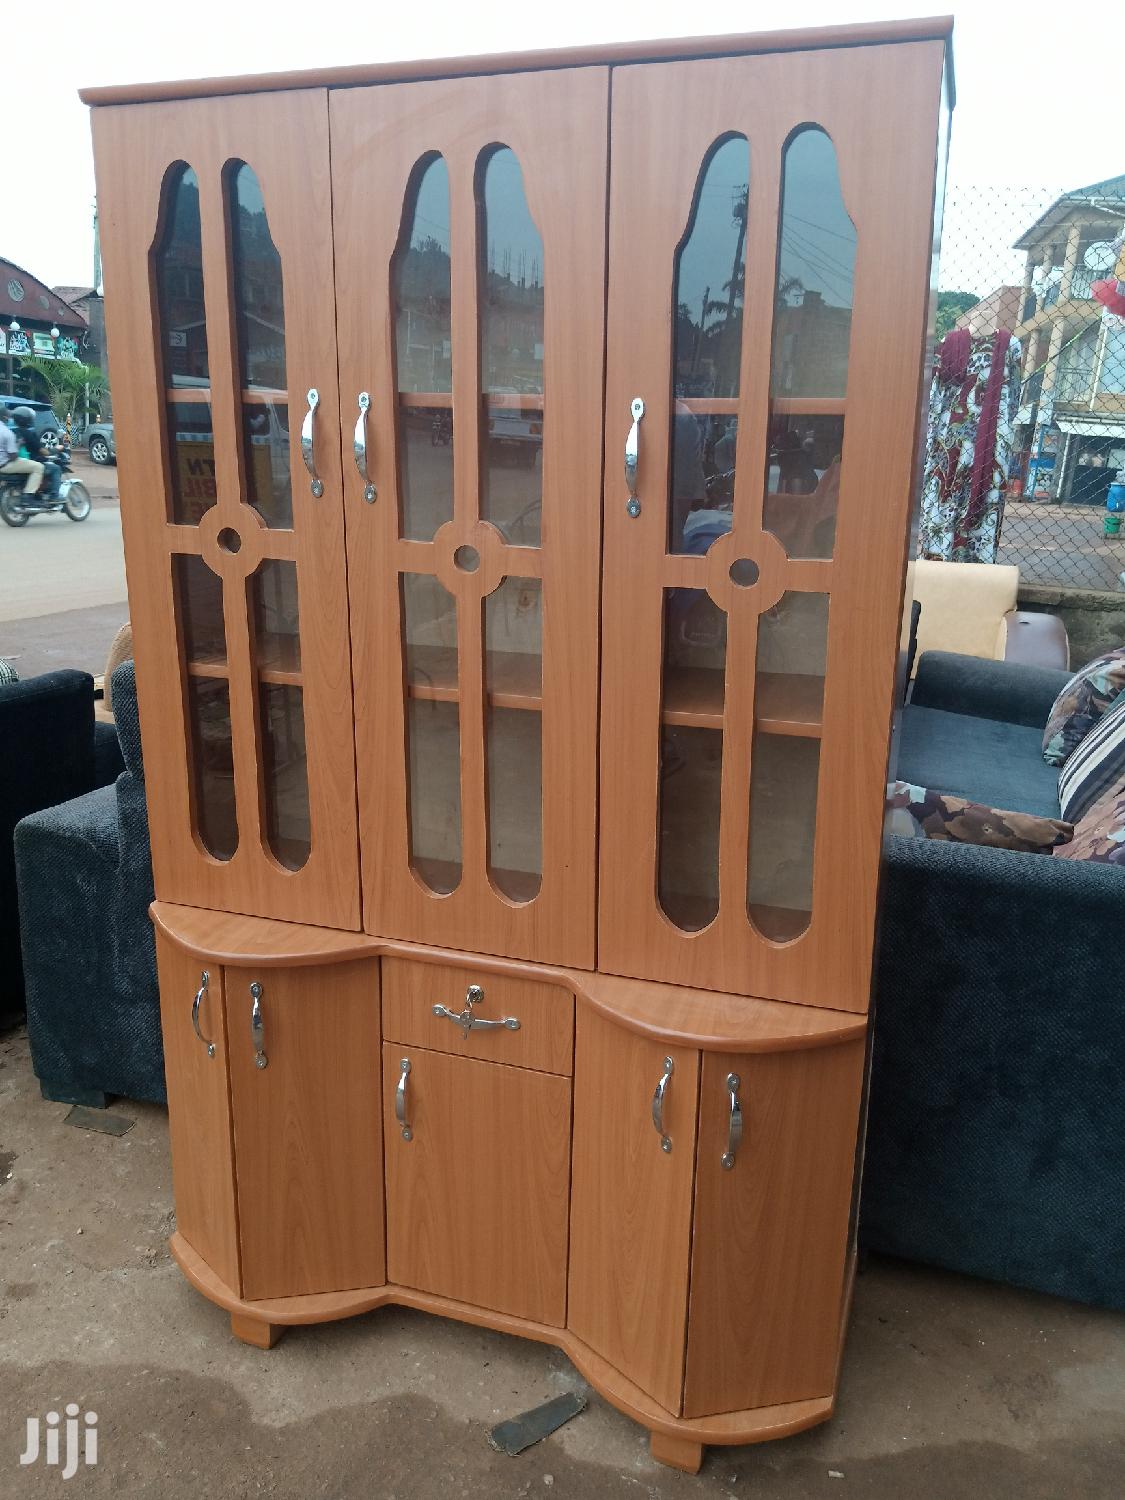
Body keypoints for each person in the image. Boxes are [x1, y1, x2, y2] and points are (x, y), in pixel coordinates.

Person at [8, 406, 59, 498]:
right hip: (31, 462)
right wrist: (57, 449)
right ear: (28, 420)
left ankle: (38, 492)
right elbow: (44, 452)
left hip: (14, 462)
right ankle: (55, 496)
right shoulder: (29, 434)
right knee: (56, 468)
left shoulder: (11, 431)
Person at [0, 407, 44, 494]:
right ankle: (28, 495)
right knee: (39, 467)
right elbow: (13, 456)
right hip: (4, 465)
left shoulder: (11, 431)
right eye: (9, 416)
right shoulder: (7, 432)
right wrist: (18, 444)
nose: (10, 418)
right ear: (5, 417)